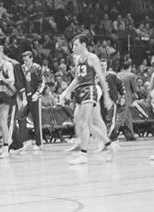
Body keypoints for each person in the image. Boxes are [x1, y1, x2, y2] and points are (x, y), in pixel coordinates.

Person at [58, 34, 115, 165]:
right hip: (80, 91)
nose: (73, 47)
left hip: (90, 90)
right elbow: (77, 78)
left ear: (83, 45)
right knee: (82, 122)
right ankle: (109, 145)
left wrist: (106, 97)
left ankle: (83, 154)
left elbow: (101, 78)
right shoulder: (78, 59)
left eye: (76, 45)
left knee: (84, 122)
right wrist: (67, 91)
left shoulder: (92, 58)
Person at [17, 50, 45, 152]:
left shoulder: (36, 68)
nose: (25, 62)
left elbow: (42, 82)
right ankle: (26, 140)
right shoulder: (21, 68)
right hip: (26, 98)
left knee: (36, 121)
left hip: (35, 97)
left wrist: (37, 93)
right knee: (20, 117)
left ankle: (39, 143)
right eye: (24, 60)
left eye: (27, 60)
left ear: (31, 59)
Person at [112, 59, 139, 142]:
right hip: (126, 98)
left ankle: (131, 135)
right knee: (120, 118)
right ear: (130, 67)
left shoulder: (117, 74)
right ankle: (110, 134)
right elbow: (135, 89)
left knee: (127, 117)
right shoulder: (131, 75)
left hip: (117, 97)